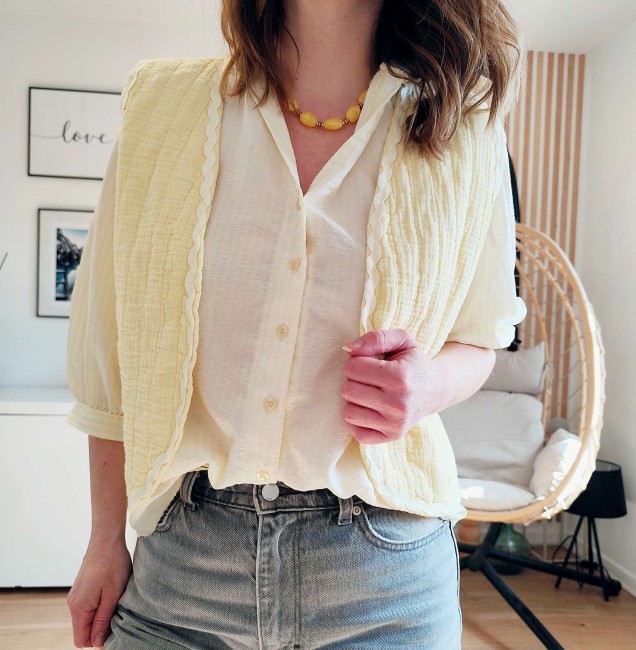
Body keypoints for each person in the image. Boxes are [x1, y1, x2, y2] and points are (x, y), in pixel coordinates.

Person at [65, 1, 526, 648]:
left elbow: (482, 337)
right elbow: (109, 356)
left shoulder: (467, 129)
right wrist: (103, 540)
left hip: (385, 581)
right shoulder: (161, 107)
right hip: (182, 571)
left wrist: (428, 386)